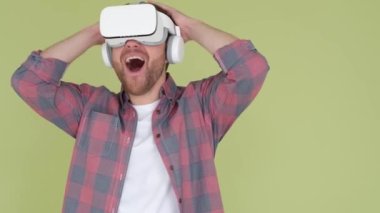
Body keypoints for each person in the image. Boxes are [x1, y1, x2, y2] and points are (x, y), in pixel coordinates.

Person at [11, 1, 269, 213]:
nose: (132, 44)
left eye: (146, 36)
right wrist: (95, 33)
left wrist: (188, 26)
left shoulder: (200, 107)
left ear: (171, 50)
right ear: (108, 54)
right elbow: (29, 81)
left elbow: (251, 68)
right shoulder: (90, 109)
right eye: (121, 39)